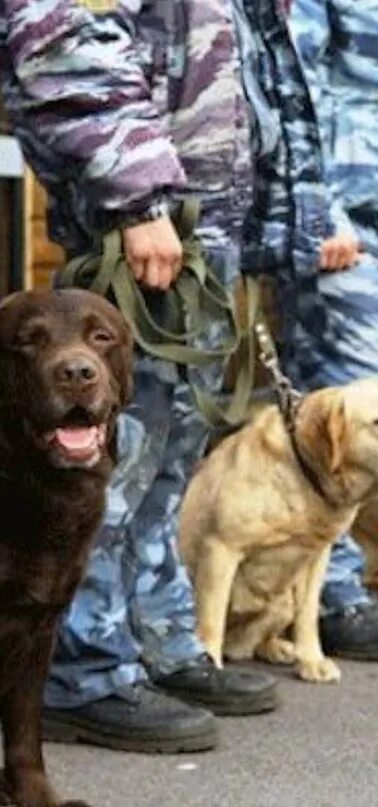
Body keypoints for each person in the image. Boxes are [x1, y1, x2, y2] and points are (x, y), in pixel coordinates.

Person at [0, 0, 281, 753]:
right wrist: (138, 192)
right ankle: (81, 667)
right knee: (101, 452)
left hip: (206, 214)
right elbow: (60, 34)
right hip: (148, 208)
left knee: (168, 451)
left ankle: (153, 634)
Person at [285, 0, 378, 660]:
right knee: (367, 407)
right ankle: (335, 597)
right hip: (335, 232)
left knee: (341, 415)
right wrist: (329, 215)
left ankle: (319, 590)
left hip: (368, 224)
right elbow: (300, 91)